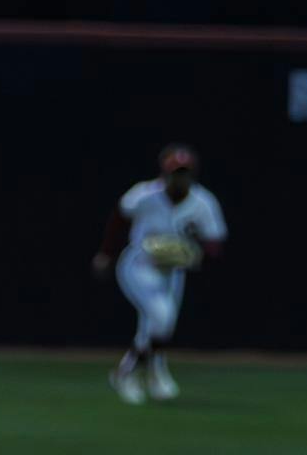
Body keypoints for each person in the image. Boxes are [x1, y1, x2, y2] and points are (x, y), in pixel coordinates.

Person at [91, 143, 226, 404]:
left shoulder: (203, 202)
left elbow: (216, 244)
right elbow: (119, 218)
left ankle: (155, 374)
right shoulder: (144, 194)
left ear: (192, 174)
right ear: (164, 173)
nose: (179, 177)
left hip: (174, 272)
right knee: (161, 316)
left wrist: (194, 246)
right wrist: (106, 254)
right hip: (139, 265)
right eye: (175, 172)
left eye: (184, 172)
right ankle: (126, 373)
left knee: (157, 325)